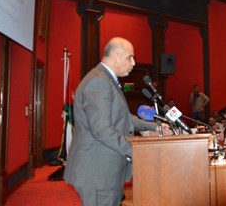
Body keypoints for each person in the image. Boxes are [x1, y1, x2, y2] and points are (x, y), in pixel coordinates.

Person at [64, 37, 162, 206]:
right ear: (116, 56)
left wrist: (157, 127)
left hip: (104, 169)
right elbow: (102, 130)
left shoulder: (106, 79)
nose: (133, 63)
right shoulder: (98, 82)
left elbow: (123, 116)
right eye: (130, 57)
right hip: (97, 172)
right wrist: (137, 151)